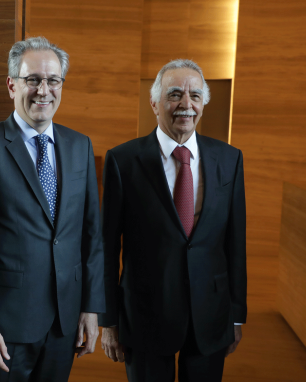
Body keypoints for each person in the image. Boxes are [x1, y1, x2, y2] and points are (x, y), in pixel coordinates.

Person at [0, 36, 105, 382]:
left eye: (53, 80)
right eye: (33, 80)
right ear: (12, 85)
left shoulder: (79, 145)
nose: (44, 90)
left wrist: (91, 306)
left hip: (64, 322)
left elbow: (90, 233)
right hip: (5, 327)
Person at [99, 59, 247, 382]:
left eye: (195, 96)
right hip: (144, 317)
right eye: (175, 94)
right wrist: (108, 321)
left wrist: (236, 316)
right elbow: (107, 249)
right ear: (154, 102)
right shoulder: (122, 161)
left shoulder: (230, 159)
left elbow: (236, 245)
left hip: (210, 315)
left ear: (204, 103)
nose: (186, 104)